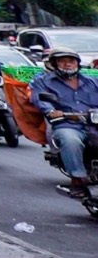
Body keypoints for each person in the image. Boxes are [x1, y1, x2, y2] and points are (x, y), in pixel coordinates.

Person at [33, 49, 98, 197]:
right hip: (68, 125)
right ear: (55, 64)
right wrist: (51, 111)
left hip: (93, 125)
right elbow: (40, 100)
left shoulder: (92, 82)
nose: (67, 64)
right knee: (70, 140)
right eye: (62, 61)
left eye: (71, 60)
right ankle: (77, 180)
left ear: (77, 63)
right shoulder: (43, 82)